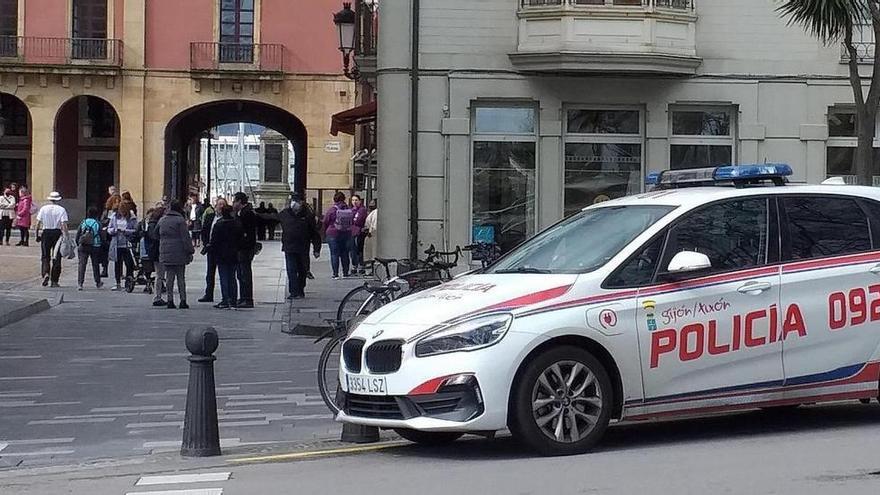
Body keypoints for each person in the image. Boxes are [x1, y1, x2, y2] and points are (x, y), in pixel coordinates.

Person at [279, 193, 321, 299]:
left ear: (301, 202)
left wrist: (317, 249)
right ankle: (293, 292)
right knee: (291, 270)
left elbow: (314, 233)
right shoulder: (285, 213)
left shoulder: (307, 215)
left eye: (296, 201)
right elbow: (272, 218)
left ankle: (300, 290)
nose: (294, 203)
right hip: (289, 247)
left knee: (302, 269)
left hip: (303, 247)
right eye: (293, 200)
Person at [158, 199, 194, 309]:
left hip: (166, 251)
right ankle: (183, 300)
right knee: (180, 278)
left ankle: (170, 300)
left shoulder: (162, 220)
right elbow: (185, 238)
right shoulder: (180, 221)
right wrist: (190, 251)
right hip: (179, 252)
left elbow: (155, 233)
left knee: (169, 278)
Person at [209, 205, 243, 309]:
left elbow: (214, 240)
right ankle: (233, 300)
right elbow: (240, 239)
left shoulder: (218, 225)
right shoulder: (237, 224)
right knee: (232, 277)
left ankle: (225, 299)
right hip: (233, 254)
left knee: (224, 277)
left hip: (221, 254)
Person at [35, 191, 68, 287]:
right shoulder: (61, 210)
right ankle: (54, 280)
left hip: (46, 232)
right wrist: (66, 236)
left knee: (45, 255)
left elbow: (38, 223)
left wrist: (37, 235)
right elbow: (64, 224)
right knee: (57, 256)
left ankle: (45, 273)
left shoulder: (44, 209)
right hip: (57, 233)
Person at [233, 192, 258, 308]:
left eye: (235, 201)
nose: (233, 203)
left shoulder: (246, 214)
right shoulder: (242, 213)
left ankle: (247, 298)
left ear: (239, 201)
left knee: (244, 273)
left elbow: (245, 232)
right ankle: (243, 297)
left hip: (245, 248)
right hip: (242, 247)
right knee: (241, 274)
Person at [198, 197, 225, 303]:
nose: (221, 207)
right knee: (210, 273)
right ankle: (208, 294)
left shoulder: (228, 218)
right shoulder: (210, 217)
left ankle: (225, 296)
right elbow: (204, 230)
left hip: (222, 250)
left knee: (223, 273)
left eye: (223, 204)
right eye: (219, 204)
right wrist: (205, 243)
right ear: (215, 206)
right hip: (211, 249)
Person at [322, 191, 354, 279]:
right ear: (344, 199)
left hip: (333, 234)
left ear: (334, 199)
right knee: (345, 253)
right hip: (346, 233)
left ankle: (335, 274)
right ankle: (345, 272)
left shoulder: (332, 210)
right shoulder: (348, 209)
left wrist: (325, 233)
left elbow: (325, 221)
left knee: (334, 254)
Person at [107, 200, 137, 291]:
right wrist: (114, 230)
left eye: (124, 211)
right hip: (117, 243)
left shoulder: (132, 218)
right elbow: (109, 228)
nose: (122, 213)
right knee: (117, 264)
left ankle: (129, 283)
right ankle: (118, 283)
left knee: (129, 264)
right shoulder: (114, 217)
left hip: (127, 244)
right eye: (121, 211)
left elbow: (135, 230)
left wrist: (126, 231)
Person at [75, 207, 104, 291]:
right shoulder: (97, 223)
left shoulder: (83, 222)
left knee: (82, 265)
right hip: (95, 246)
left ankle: (80, 283)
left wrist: (78, 243)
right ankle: (98, 282)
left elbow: (78, 234)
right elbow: (101, 235)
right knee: (95, 265)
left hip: (83, 246)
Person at [147, 204, 167, 307]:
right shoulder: (154, 224)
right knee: (160, 275)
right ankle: (157, 296)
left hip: (155, 251)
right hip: (157, 252)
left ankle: (158, 295)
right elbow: (154, 237)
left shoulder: (152, 223)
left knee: (160, 275)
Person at [100, 193, 122, 277]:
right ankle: (105, 269)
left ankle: (119, 272)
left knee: (119, 253)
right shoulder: (107, 211)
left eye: (119, 202)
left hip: (118, 234)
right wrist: (109, 221)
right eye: (116, 202)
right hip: (107, 235)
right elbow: (102, 221)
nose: (117, 203)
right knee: (105, 253)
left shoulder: (121, 211)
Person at [350, 194, 368, 275]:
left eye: (356, 200)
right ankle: (354, 265)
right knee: (353, 250)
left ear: (360, 201)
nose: (354, 202)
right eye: (353, 200)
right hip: (351, 232)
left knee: (359, 250)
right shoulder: (351, 210)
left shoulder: (362, 210)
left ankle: (361, 265)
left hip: (359, 232)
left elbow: (358, 220)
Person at [363, 199, 378, 272]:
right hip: (372, 234)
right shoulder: (373, 213)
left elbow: (373, 226)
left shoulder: (375, 212)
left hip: (372, 235)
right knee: (371, 253)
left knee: (372, 254)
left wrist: (368, 231)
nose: (370, 205)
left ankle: (371, 270)